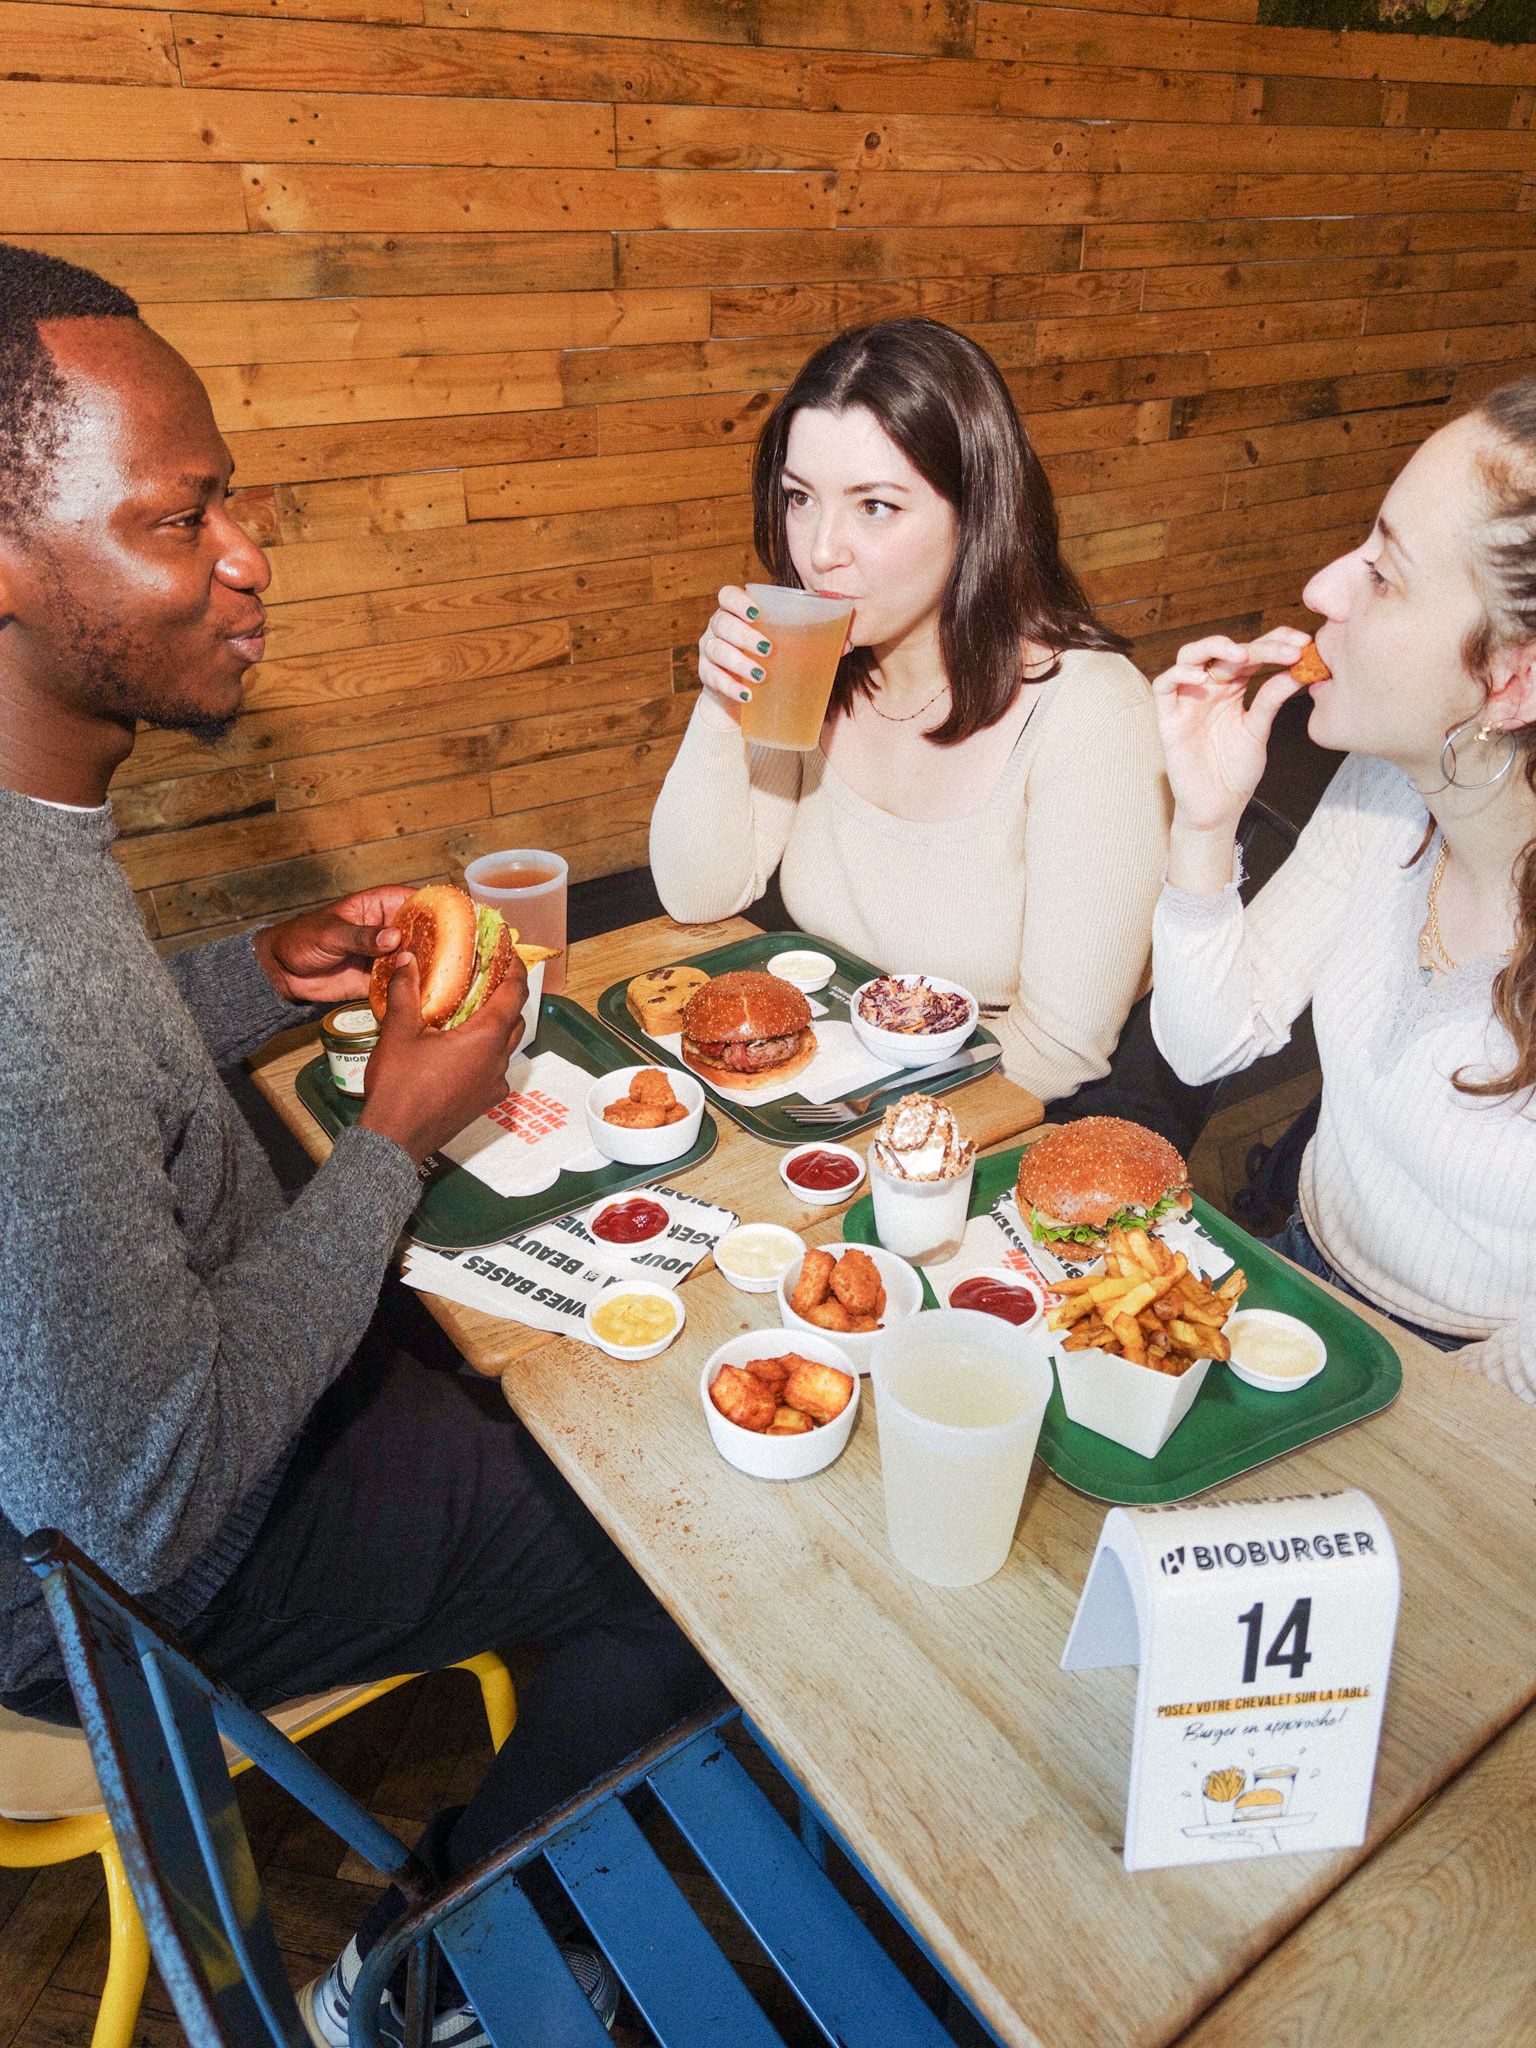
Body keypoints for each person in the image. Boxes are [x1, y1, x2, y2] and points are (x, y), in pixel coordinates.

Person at [0, 243, 713, 2047]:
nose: (247, 559)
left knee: (504, 1371)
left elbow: (85, 1086)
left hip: (109, 1452)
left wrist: (253, 973)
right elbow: (141, 1504)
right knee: (680, 1562)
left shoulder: (32, 843)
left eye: (228, 503)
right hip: (111, 1595)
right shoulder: (22, 974)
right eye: (180, 521)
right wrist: (394, 1133)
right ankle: (425, 1972)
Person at [648, 318, 1170, 1106]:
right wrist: (721, 707)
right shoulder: (819, 661)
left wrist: (846, 1115)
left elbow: (1060, 1050)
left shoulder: (1092, 710)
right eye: (799, 498)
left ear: (976, 514)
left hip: (1008, 1101)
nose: (820, 550)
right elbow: (701, 895)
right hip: (853, 1060)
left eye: (876, 506)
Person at [1149, 380, 1536, 1402]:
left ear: (1513, 679)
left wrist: (1390, 1411)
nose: (1323, 587)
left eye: (1384, 573)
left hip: (1474, 1393)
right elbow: (1205, 1043)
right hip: (1301, 1275)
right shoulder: (1389, 784)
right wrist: (1203, 824)